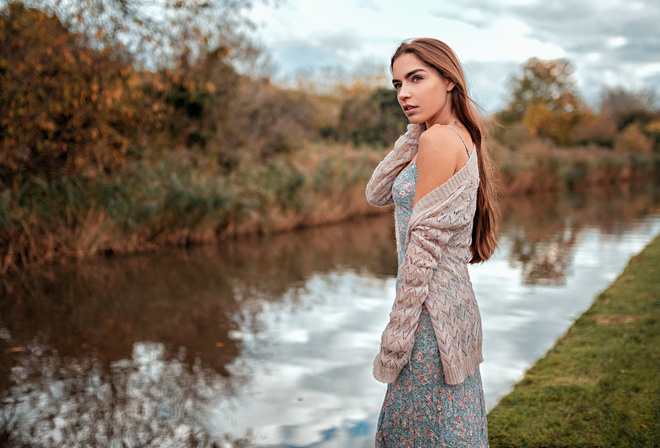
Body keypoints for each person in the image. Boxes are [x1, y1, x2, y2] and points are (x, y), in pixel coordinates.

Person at [365, 38, 499, 447]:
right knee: (447, 429)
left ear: (449, 80)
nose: (404, 93)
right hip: (452, 311)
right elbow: (377, 191)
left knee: (423, 435)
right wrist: (415, 131)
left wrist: (396, 338)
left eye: (416, 78)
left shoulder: (439, 141)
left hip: (427, 322)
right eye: (397, 84)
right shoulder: (448, 136)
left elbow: (420, 255)